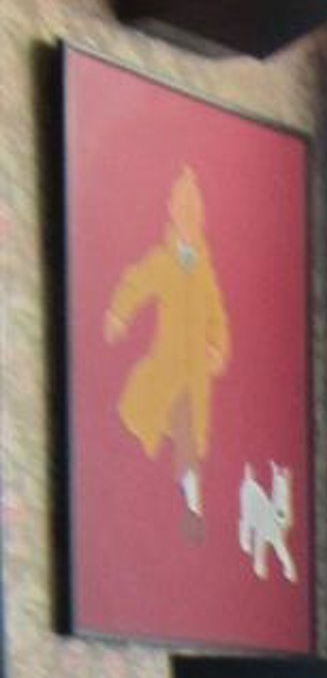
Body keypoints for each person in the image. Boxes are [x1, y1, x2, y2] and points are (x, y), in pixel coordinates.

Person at [102, 163, 231, 531]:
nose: (190, 220)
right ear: (173, 213)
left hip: (194, 376)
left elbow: (217, 316)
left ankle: (191, 509)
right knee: (140, 422)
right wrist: (119, 314)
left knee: (187, 441)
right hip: (166, 368)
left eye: (195, 213)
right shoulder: (164, 261)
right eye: (183, 211)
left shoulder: (205, 272)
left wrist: (217, 349)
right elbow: (137, 283)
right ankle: (130, 499)